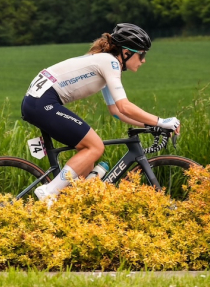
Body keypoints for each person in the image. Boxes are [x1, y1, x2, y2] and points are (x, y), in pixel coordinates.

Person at [22, 23, 181, 205]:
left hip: (38, 102)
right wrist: (161, 121)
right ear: (126, 52)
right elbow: (124, 107)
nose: (144, 60)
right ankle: (49, 192)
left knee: (87, 155)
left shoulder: (105, 62)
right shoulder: (110, 62)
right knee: (95, 147)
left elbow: (116, 112)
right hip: (42, 102)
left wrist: (150, 125)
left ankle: (67, 204)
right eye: (142, 54)